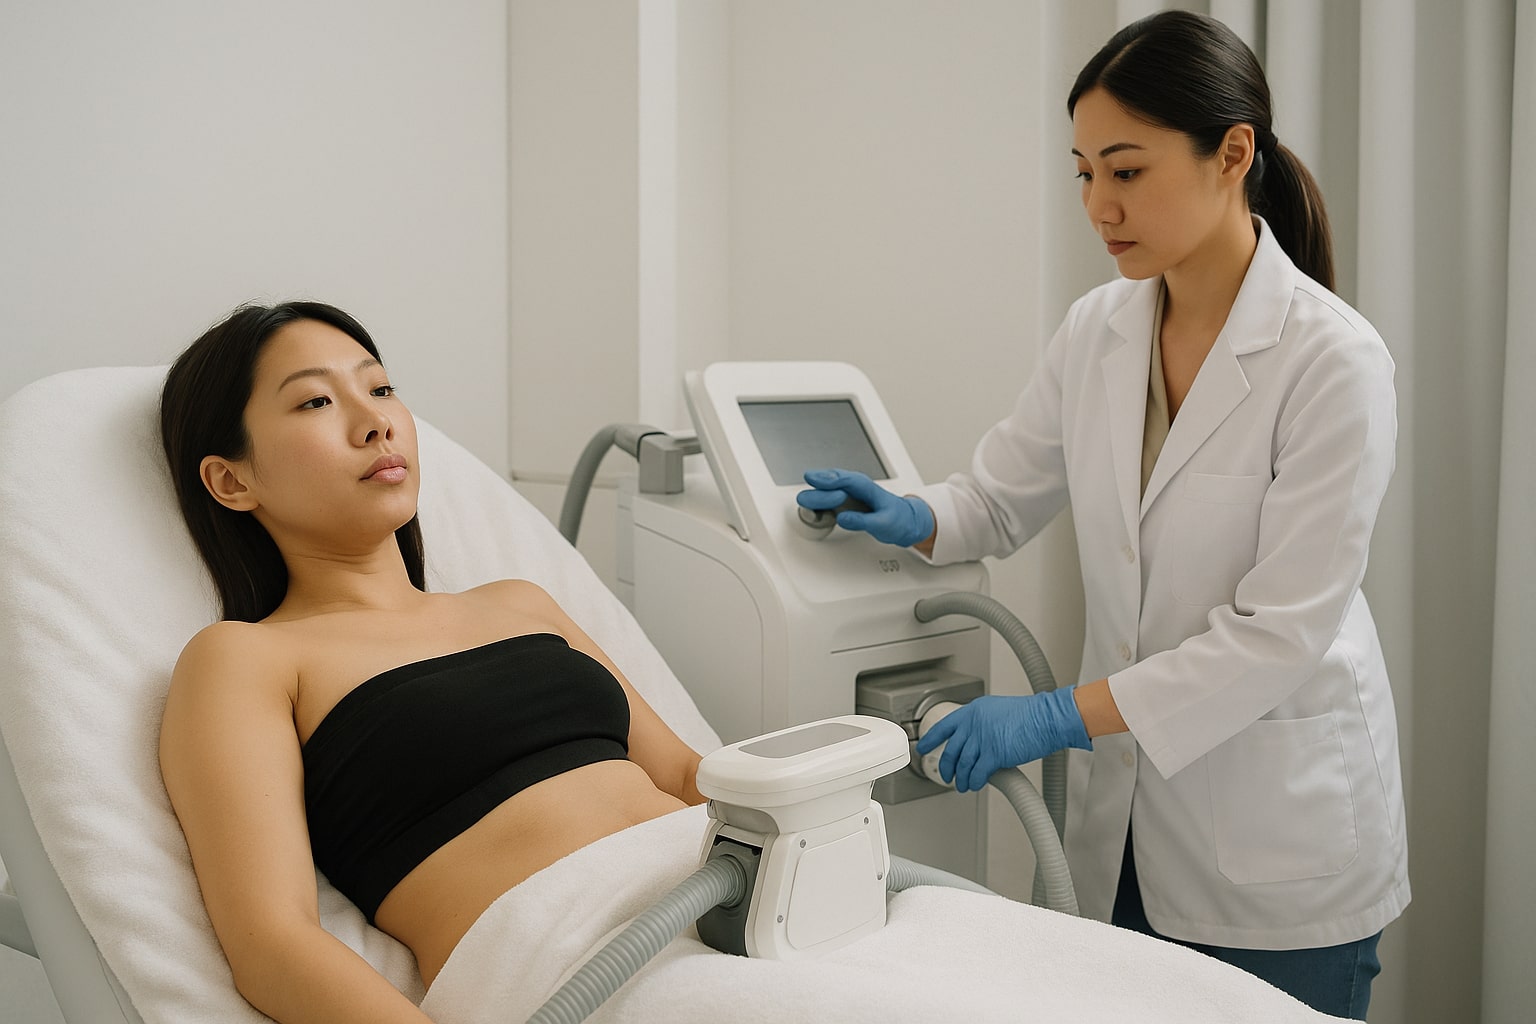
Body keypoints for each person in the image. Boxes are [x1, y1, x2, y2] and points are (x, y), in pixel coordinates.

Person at [797, 11, 1406, 1019]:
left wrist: (1052, 716)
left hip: (1278, 852)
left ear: (1233, 154)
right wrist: (911, 514)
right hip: (1121, 834)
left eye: (1126, 170)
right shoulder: (1099, 329)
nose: (1098, 205)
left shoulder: (1333, 361)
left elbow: (1279, 636)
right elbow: (997, 499)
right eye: (1084, 173)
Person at [157, 300, 706, 1024]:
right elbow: (272, 943)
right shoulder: (245, 659)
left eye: (380, 388)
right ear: (232, 481)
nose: (375, 421)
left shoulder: (520, 604)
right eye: (317, 401)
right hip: (587, 970)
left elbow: (685, 776)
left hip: (747, 897)